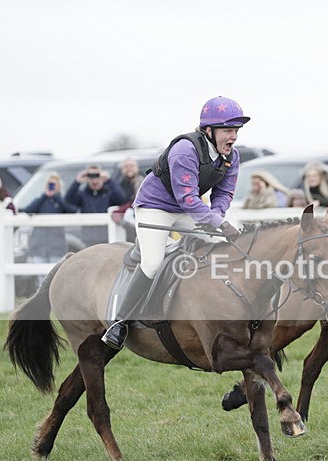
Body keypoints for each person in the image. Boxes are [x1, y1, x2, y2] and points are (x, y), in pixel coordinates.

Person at [101, 96, 249, 350]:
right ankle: (119, 322)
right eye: (228, 130)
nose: (233, 137)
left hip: (188, 210)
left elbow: (224, 193)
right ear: (209, 130)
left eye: (236, 130)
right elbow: (188, 198)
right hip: (155, 207)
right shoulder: (185, 150)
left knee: (221, 249)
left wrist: (218, 217)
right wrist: (221, 225)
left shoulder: (231, 157)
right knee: (153, 263)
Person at [22, 172, 78, 287]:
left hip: (56, 246)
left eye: (54, 185)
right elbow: (28, 210)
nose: (51, 187)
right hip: (39, 245)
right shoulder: (41, 200)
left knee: (55, 275)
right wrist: (45, 196)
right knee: (41, 277)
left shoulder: (61, 201)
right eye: (50, 184)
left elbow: (71, 210)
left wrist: (57, 197)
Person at [64, 165, 128, 247]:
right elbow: (68, 200)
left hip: (107, 237)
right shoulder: (83, 194)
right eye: (91, 176)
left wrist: (109, 181)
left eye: (97, 175)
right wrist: (77, 182)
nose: (94, 180)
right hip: (88, 239)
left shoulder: (109, 193)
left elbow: (122, 200)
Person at [112, 157, 146, 242]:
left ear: (137, 168)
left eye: (131, 166)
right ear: (122, 169)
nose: (129, 169)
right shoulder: (118, 184)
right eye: (126, 167)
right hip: (125, 220)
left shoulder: (144, 181)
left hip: (141, 215)